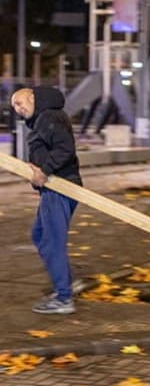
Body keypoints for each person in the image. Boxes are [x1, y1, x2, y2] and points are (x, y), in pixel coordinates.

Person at [11, 86, 83, 314]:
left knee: (52, 241)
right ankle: (67, 283)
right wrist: (39, 174)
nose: (18, 109)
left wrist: (45, 171)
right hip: (54, 188)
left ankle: (63, 298)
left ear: (33, 97)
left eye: (20, 102)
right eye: (14, 106)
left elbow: (65, 149)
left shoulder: (48, 117)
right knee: (40, 235)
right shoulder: (45, 118)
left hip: (59, 188)